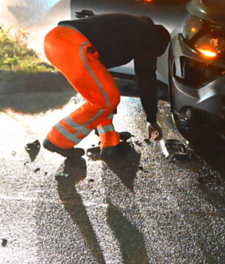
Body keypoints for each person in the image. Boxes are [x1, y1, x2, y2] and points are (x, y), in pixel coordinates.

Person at [41, 12, 170, 160]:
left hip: (55, 41)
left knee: (101, 96)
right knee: (107, 100)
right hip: (74, 44)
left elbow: (100, 26)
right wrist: (151, 119)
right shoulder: (147, 38)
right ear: (156, 44)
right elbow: (146, 78)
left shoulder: (133, 26)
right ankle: (57, 141)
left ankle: (109, 142)